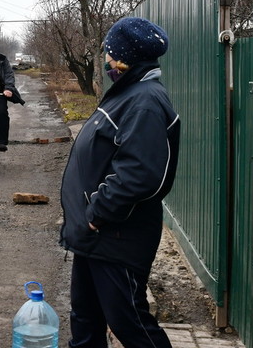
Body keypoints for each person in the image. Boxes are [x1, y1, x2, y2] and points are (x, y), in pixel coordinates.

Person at [60, 17, 180, 348]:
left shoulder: (144, 101)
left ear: (125, 57)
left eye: (110, 53)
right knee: (85, 318)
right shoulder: (129, 92)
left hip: (116, 234)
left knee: (130, 324)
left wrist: (98, 213)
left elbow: (140, 173)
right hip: (96, 235)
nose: (107, 60)